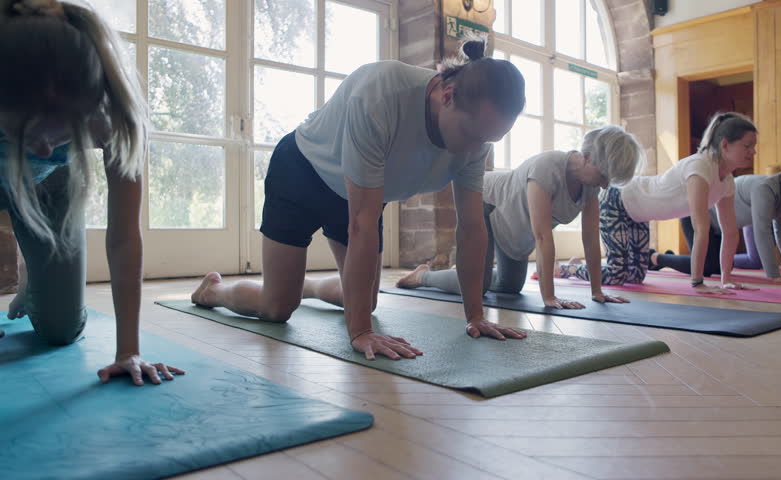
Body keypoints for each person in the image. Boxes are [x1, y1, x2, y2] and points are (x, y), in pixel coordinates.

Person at [191, 37, 528, 361]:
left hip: (356, 194)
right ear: (448, 96)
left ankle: (300, 285)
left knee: (365, 300)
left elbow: (471, 228)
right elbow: (362, 223)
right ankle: (213, 291)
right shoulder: (381, 94)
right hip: (300, 175)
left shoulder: (476, 139)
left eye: (487, 140)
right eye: (471, 135)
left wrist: (475, 316)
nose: (474, 150)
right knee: (276, 308)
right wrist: (360, 332)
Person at [0, 0, 183, 384]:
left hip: (49, 186)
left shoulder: (114, 117)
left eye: (62, 132)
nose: (47, 149)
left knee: (60, 332)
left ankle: (32, 273)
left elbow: (123, 238)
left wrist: (128, 350)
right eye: (26, 133)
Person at [395, 126, 644, 308]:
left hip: (512, 227)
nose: (603, 187)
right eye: (603, 177)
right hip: (485, 202)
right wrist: (549, 297)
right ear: (588, 157)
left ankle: (466, 269)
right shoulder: (548, 167)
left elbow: (590, 237)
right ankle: (424, 276)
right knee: (477, 287)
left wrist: (597, 292)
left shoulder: (589, 186)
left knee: (509, 286)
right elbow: (542, 236)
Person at [561, 112, 757, 294]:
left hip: (639, 214)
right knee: (616, 275)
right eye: (747, 146)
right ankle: (567, 268)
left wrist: (726, 278)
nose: (753, 152)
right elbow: (700, 228)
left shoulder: (727, 181)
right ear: (725, 145)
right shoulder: (700, 166)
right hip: (618, 200)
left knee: (637, 277)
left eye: (754, 146)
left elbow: (730, 232)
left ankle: (578, 264)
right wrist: (698, 282)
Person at [655, 169, 781, 282]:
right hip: (697, 217)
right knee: (708, 269)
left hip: (722, 229)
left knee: (718, 267)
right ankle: (655, 258)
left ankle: (668, 258)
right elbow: (762, 230)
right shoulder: (765, 188)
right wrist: (774, 276)